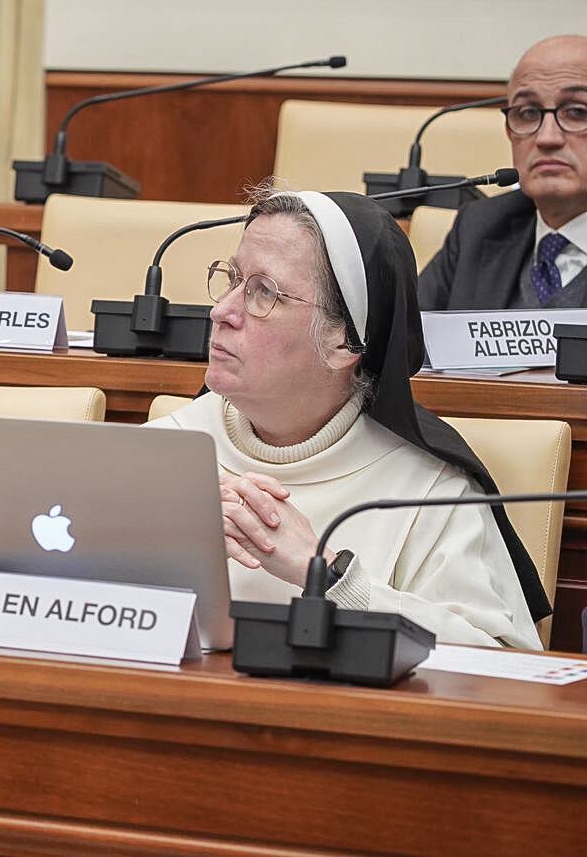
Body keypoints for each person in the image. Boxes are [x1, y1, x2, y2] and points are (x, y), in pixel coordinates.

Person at [150, 187, 549, 648]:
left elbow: (501, 672)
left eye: (263, 293)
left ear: (344, 341)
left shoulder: (429, 490)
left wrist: (326, 571)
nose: (221, 311)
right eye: (232, 278)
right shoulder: (167, 447)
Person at [419, 34, 587, 309]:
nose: (546, 137)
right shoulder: (479, 227)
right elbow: (405, 340)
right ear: (509, 132)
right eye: (528, 113)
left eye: (577, 112)